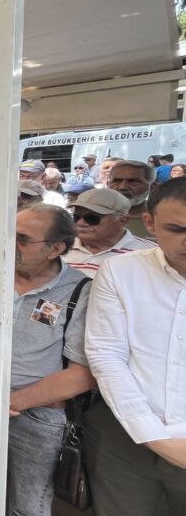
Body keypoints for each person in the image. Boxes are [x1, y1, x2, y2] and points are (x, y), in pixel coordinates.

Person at [82, 177, 186, 515]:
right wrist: (152, 435)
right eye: (177, 229)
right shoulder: (120, 271)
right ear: (150, 223)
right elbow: (106, 354)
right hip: (124, 435)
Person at [5, 204, 96, 515]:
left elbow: (82, 374)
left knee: (28, 503)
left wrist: (14, 401)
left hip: (38, 415)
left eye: (22, 238)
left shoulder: (79, 291)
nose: (10, 243)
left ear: (55, 249)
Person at [61, 188, 155, 278]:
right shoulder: (59, 246)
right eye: (76, 217)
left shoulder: (148, 253)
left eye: (92, 218)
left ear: (122, 220)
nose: (80, 223)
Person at [107, 160, 156, 239]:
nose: (123, 187)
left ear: (152, 187)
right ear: (107, 184)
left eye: (133, 181)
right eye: (117, 181)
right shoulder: (90, 216)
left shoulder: (162, 220)